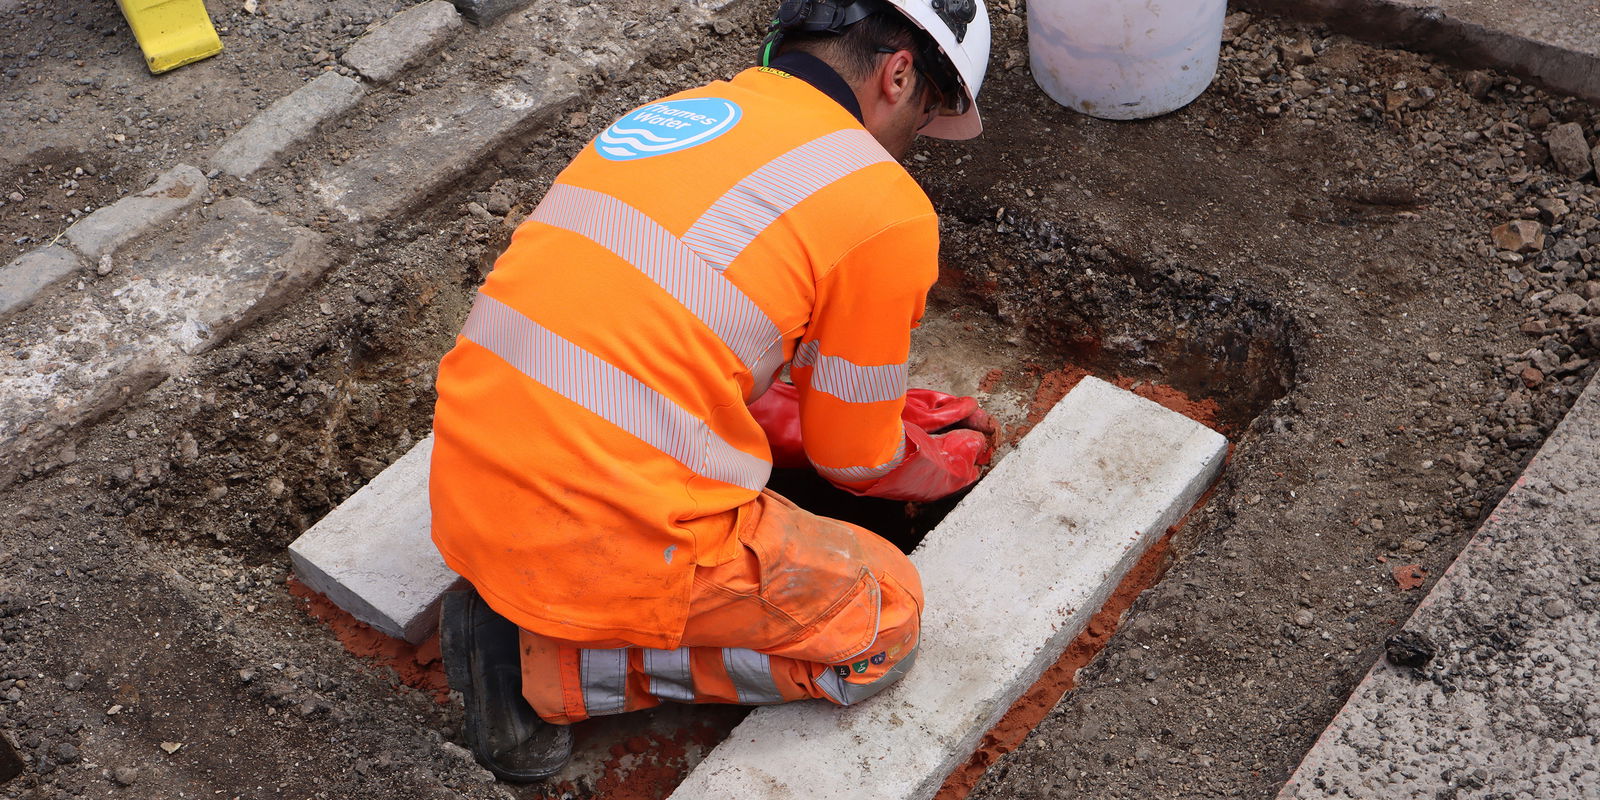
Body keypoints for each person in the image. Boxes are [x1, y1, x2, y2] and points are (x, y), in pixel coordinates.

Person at [430, 0, 992, 781]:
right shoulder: (882, 203)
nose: (911, 145)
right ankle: (554, 666)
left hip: (468, 480)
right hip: (590, 538)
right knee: (882, 618)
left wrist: (799, 402)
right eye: (925, 118)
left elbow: (654, 331)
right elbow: (855, 465)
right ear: (900, 75)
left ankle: (520, 602)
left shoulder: (687, 113)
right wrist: (930, 466)